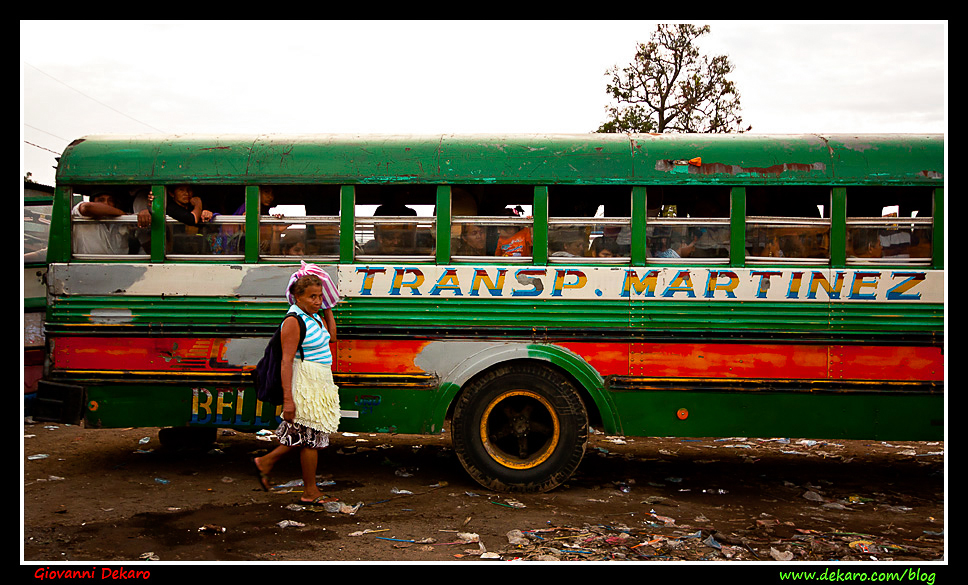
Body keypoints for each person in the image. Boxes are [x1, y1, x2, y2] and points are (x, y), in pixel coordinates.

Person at [253, 262, 341, 504]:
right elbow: (286, 361)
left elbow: (331, 337)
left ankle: (266, 461)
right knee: (310, 439)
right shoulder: (293, 320)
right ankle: (310, 491)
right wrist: (288, 400)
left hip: (319, 381)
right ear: (296, 297)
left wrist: (327, 308)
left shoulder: (314, 317)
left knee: (304, 435)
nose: (316, 300)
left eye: (319, 296)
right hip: (305, 382)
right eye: (312, 296)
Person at [71, 191, 144, 254]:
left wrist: (145, 212)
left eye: (110, 200)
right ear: (93, 201)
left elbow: (142, 219)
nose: (106, 203)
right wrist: (121, 213)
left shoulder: (121, 220)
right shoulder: (80, 214)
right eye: (101, 200)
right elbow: (86, 208)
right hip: (86, 267)